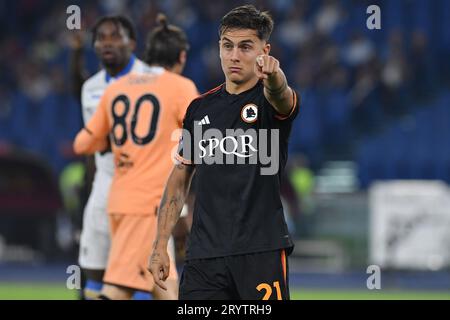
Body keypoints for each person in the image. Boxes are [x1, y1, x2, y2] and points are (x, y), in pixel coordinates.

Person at [148, 5, 300, 300]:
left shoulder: (270, 102)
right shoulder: (200, 109)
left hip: (260, 253)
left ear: (264, 51)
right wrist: (159, 246)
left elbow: (282, 97)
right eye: (227, 46)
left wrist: (276, 75)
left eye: (245, 47)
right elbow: (179, 178)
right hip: (204, 256)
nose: (234, 55)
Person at [73, 14, 198, 300]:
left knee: (164, 282)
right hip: (149, 205)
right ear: (181, 57)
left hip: (118, 200)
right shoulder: (181, 88)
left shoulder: (116, 88)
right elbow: (199, 145)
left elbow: (83, 144)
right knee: (118, 289)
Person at [76, 15, 147, 299]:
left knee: (143, 271)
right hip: (104, 186)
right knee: (95, 269)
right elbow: (92, 147)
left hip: (141, 187)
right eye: (101, 38)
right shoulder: (90, 88)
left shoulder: (150, 80)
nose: (107, 43)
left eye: (115, 36)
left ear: (132, 42)